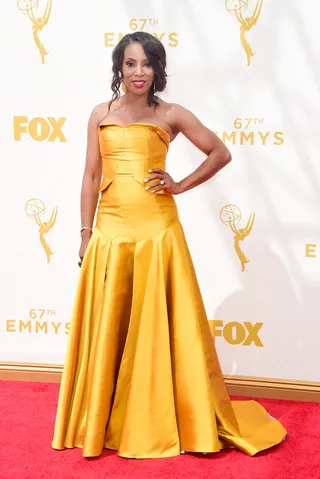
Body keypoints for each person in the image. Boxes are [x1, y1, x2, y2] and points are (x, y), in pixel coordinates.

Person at [52, 31, 286, 459]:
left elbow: (219, 152)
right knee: (111, 327)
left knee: (157, 326)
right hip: (109, 233)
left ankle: (158, 418)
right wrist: (86, 234)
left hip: (157, 232)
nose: (138, 72)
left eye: (147, 64)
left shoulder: (171, 113)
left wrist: (178, 185)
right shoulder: (99, 113)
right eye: (130, 63)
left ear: (158, 70)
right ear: (119, 68)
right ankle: (104, 419)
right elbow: (89, 176)